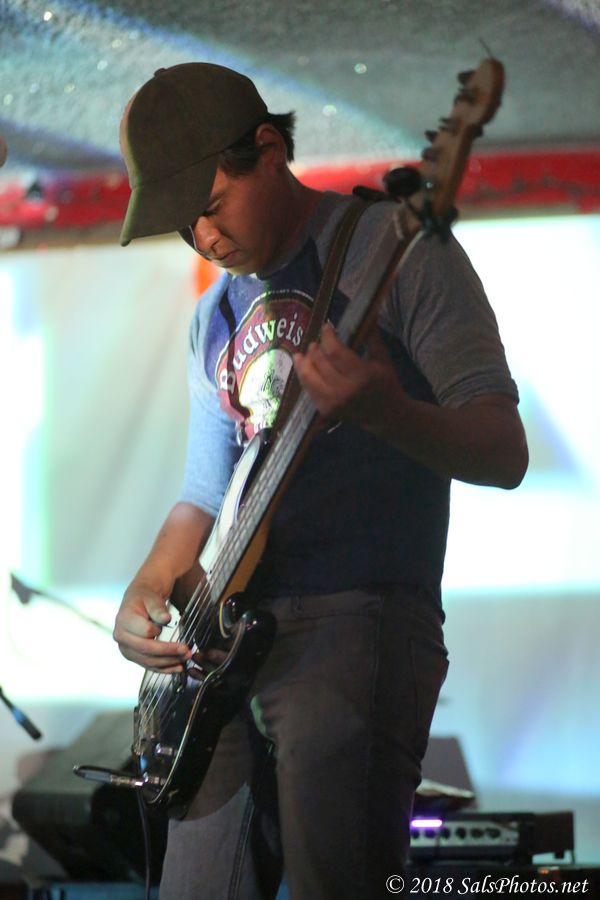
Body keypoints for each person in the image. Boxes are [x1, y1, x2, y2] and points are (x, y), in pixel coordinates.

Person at [113, 62, 528, 900]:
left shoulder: (397, 249)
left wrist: (388, 412)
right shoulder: (212, 317)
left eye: (211, 205)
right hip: (223, 644)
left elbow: (504, 450)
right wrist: (150, 584)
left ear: (269, 150)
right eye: (183, 225)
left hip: (357, 618)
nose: (203, 238)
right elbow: (205, 495)